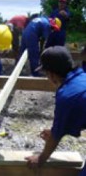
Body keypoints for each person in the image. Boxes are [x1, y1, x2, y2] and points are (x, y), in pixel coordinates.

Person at [25, 46, 86, 176]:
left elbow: (56, 136)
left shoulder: (66, 96)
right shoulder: (82, 77)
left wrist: (40, 159)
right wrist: (55, 131)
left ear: (51, 74)